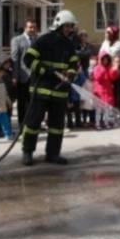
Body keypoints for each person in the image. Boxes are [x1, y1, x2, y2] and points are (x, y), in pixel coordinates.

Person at [21, 10, 79, 166]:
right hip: (41, 90)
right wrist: (44, 70)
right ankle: (27, 152)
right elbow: (28, 59)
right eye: (67, 26)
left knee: (57, 126)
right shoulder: (43, 40)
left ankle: (52, 154)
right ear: (58, 24)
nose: (69, 29)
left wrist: (71, 75)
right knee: (33, 123)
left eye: (71, 26)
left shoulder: (69, 45)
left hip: (60, 92)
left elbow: (73, 63)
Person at [10, 20, 38, 128]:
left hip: (35, 75)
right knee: (22, 103)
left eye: (34, 27)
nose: (32, 30)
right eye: (30, 27)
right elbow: (15, 59)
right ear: (25, 28)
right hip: (23, 75)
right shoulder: (17, 40)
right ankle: (22, 126)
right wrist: (15, 76)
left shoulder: (37, 39)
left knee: (33, 101)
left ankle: (32, 124)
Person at [92, 52, 119, 130]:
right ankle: (97, 124)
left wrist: (114, 70)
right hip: (99, 92)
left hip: (107, 91)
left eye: (106, 60)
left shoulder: (109, 68)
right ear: (100, 60)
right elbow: (97, 78)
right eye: (103, 60)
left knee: (107, 109)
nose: (105, 61)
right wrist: (103, 70)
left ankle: (105, 122)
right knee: (99, 110)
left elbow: (113, 78)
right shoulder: (97, 68)